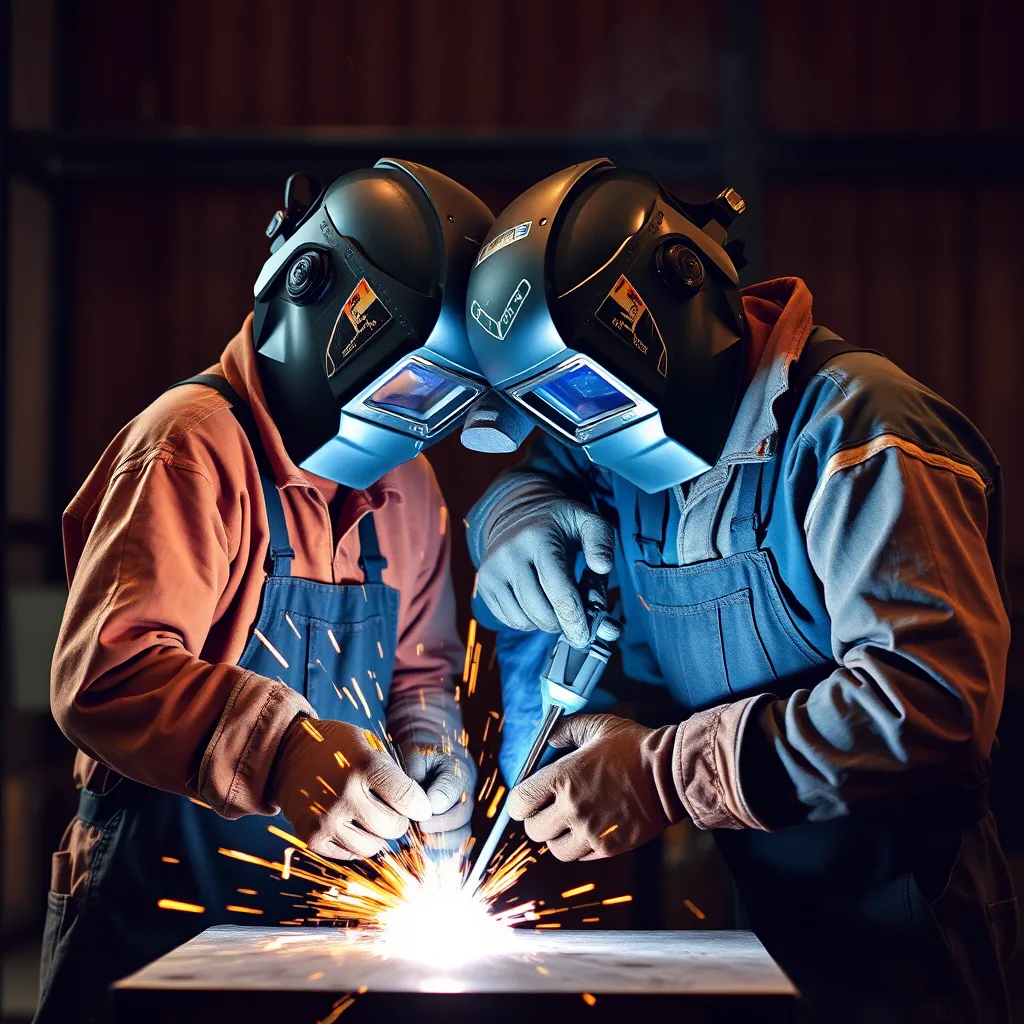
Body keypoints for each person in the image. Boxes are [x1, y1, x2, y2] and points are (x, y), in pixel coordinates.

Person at [461, 158, 1016, 1023]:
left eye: (588, 400)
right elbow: (549, 471)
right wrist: (512, 518)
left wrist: (663, 777)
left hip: (905, 917)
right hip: (755, 901)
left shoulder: (862, 435)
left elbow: (929, 703)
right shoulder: (632, 412)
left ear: (677, 299)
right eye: (557, 408)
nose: (587, 432)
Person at [36, 160, 493, 1024]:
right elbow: (105, 675)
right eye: (406, 383)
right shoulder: (189, 448)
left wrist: (431, 747)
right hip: (160, 910)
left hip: (327, 918)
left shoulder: (409, 484)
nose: (412, 421)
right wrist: (284, 750)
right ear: (316, 302)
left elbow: (422, 672)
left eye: (441, 397)